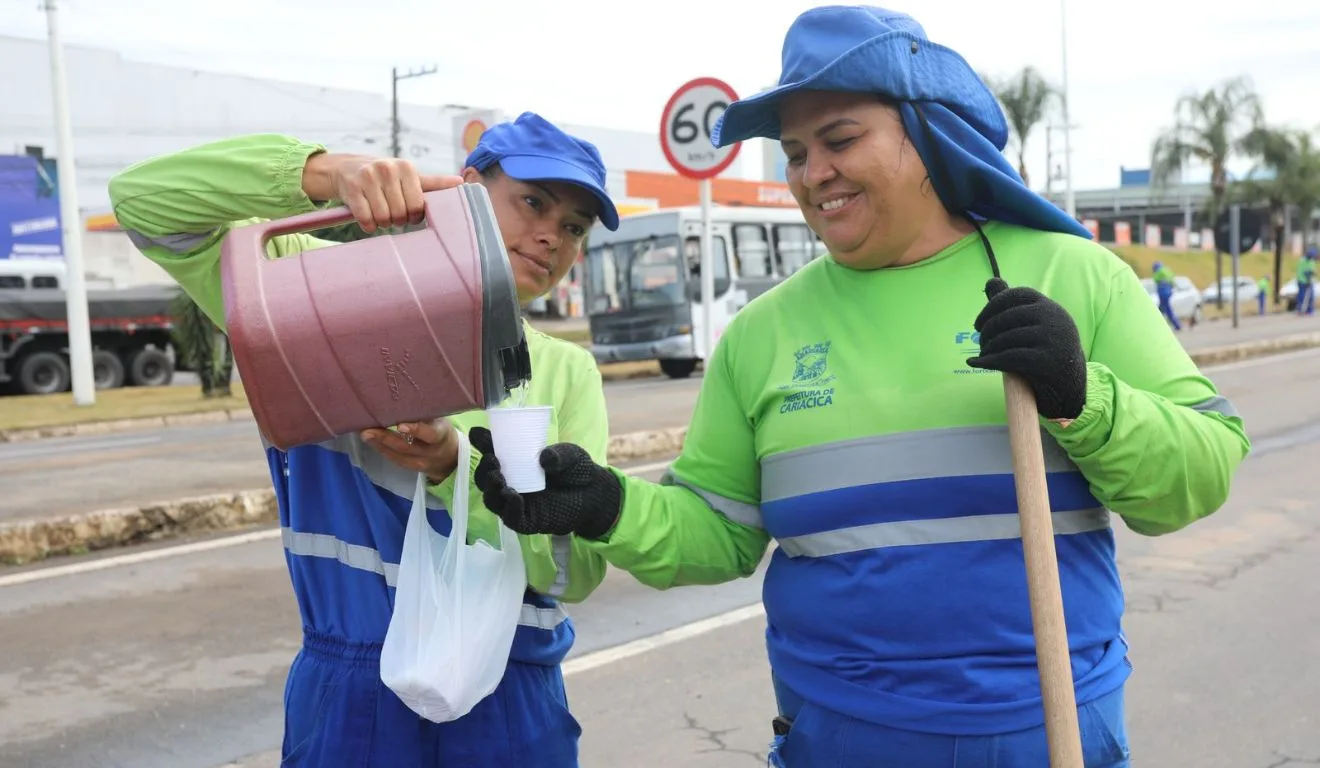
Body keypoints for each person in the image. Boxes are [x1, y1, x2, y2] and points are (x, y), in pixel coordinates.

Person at [466, 7, 1250, 767]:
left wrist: (1085, 398)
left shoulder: (1068, 274)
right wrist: (607, 504)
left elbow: (1198, 476)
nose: (814, 174)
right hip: (836, 736)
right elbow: (719, 534)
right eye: (796, 152)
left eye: (840, 139)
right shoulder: (762, 334)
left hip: (1047, 732)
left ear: (928, 133)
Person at [108, 112, 621, 767]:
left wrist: (455, 469)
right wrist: (327, 173)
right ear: (462, 190)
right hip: (354, 690)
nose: (551, 235)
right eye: (532, 202)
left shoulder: (567, 372)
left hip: (511, 686)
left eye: (574, 227)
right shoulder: (310, 293)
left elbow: (574, 573)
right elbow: (144, 205)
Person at [1152, 260, 1181, 330]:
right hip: (1168, 292)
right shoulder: (1167, 270)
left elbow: (1155, 279)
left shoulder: (1159, 272)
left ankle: (1160, 325)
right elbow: (1172, 280)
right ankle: (1173, 325)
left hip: (1163, 293)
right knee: (1164, 309)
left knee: (1165, 310)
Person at [1296, 248, 1316, 316]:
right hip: (1302, 281)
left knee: (1311, 296)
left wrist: (1312, 273)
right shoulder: (1302, 261)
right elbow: (1300, 272)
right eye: (1310, 256)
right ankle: (1300, 310)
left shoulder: (1312, 261)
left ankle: (1309, 310)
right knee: (1301, 296)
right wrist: (1304, 280)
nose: (1311, 257)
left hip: (1309, 281)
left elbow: (1312, 270)